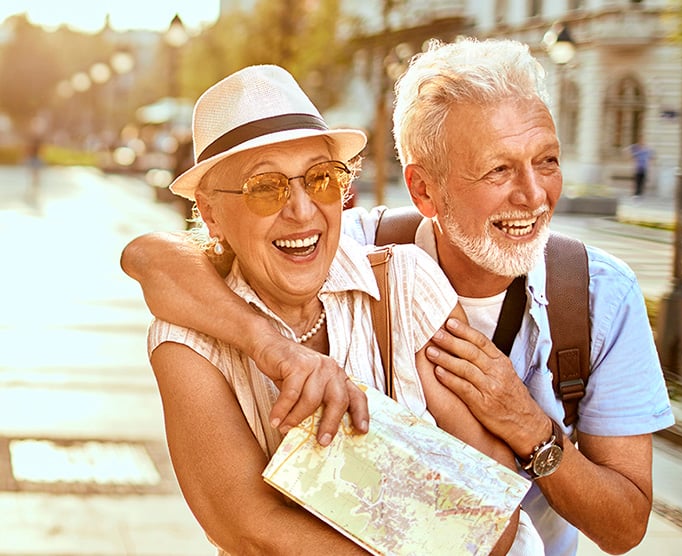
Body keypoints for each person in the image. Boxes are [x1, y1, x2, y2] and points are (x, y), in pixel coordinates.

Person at [121, 38, 675, 556]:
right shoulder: (355, 251)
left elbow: (513, 518)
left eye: (319, 180)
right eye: (498, 169)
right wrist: (276, 349)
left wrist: (531, 430)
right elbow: (149, 257)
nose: (532, 195)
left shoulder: (413, 278)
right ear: (423, 189)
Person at [135, 64, 534, 555]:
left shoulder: (406, 283)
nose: (303, 210)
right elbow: (248, 528)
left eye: (321, 179)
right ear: (212, 212)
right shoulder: (188, 345)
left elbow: (491, 492)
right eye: (266, 188)